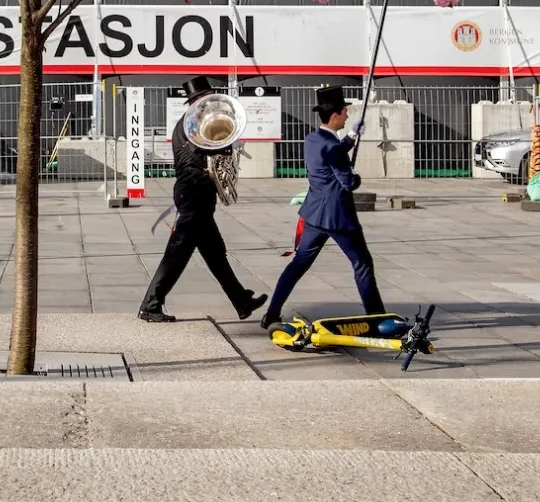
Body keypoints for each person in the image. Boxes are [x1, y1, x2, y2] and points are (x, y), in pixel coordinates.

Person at [139, 75, 267, 323]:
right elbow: (208, 147)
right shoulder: (191, 124)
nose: (210, 103)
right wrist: (227, 144)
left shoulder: (193, 123)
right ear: (198, 100)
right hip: (193, 191)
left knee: (215, 252)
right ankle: (150, 305)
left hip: (197, 192)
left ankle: (241, 301)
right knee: (177, 252)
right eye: (206, 99)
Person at [261, 85, 385, 328]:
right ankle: (378, 318)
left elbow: (333, 152)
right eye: (345, 112)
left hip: (314, 215)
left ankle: (272, 313)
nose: (348, 115)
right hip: (338, 217)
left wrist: (350, 137)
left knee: (297, 265)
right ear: (336, 115)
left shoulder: (313, 139)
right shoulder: (332, 148)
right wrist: (355, 175)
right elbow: (348, 182)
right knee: (362, 264)